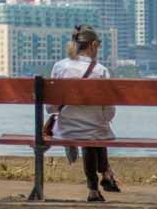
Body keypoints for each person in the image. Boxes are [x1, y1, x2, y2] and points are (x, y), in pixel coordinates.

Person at [48, 24, 121, 202]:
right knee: (95, 131)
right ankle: (104, 175)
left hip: (66, 129)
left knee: (92, 133)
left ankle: (96, 185)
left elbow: (51, 108)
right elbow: (109, 112)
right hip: (96, 130)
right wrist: (103, 120)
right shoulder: (101, 71)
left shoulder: (60, 67)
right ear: (93, 45)